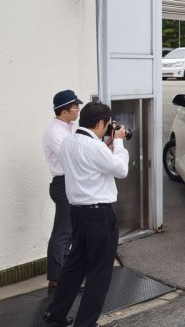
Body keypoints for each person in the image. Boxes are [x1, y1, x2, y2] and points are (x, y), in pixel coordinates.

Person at [42, 102, 129, 327]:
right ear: (100, 123)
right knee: (99, 274)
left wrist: (106, 143)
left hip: (77, 214)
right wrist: (118, 142)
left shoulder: (69, 142)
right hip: (99, 216)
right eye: (107, 125)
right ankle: (86, 323)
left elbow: (91, 162)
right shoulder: (96, 148)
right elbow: (121, 170)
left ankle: (55, 315)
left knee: (73, 267)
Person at [42, 90, 83, 289]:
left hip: (68, 182)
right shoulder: (55, 132)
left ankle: (63, 274)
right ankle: (56, 278)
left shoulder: (66, 128)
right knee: (63, 232)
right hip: (62, 184)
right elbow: (70, 157)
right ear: (64, 111)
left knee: (70, 231)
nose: (78, 110)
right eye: (75, 106)